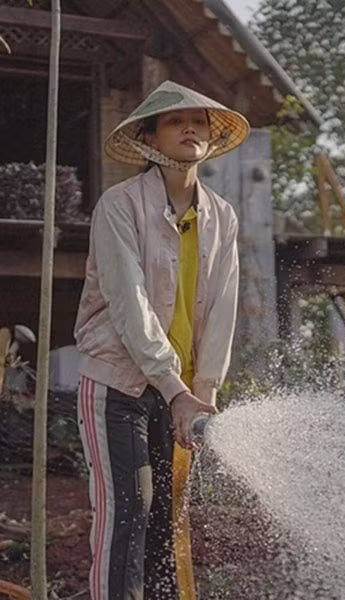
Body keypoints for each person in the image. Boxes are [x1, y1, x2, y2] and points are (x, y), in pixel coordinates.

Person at [73, 80, 249, 600]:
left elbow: (222, 308)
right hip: (118, 382)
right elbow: (128, 303)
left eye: (199, 121)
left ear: (211, 137)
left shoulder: (222, 216)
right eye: (175, 121)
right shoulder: (119, 205)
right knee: (127, 513)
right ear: (150, 137)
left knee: (166, 527)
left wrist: (204, 392)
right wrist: (176, 391)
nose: (190, 128)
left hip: (182, 396)